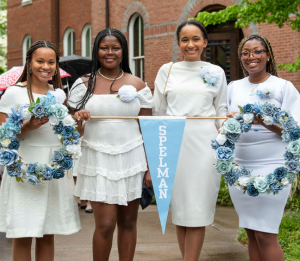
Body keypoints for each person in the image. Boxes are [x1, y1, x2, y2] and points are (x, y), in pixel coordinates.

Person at [67, 28, 153, 261]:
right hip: (97, 157)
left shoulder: (137, 84)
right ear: (97, 50)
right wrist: (79, 121)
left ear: (123, 51)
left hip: (132, 158)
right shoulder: (82, 84)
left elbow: (147, 128)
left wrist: (149, 166)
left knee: (128, 222)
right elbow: (71, 132)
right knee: (104, 224)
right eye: (104, 47)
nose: (110, 52)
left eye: (115, 47)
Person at [153, 20, 228, 260]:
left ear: (205, 42)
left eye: (196, 39)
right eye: (185, 39)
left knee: (197, 208)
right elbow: (158, 112)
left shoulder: (216, 72)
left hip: (204, 143)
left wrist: (227, 143)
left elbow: (222, 111)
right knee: (182, 211)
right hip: (174, 142)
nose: (190, 44)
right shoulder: (167, 71)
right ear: (178, 44)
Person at [0, 40, 81, 261]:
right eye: (40, 61)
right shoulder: (13, 94)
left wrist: (77, 122)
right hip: (24, 164)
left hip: (53, 165)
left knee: (48, 233)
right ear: (29, 63)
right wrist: (29, 125)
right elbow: (3, 138)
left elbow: (64, 131)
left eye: (51, 62)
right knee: (23, 233)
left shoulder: (58, 94)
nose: (45, 66)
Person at [227, 35, 300, 261]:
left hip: (274, 167)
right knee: (251, 233)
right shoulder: (233, 87)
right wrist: (227, 121)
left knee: (266, 234)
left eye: (258, 51)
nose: (252, 57)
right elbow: (220, 125)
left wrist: (264, 121)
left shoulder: (283, 87)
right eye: (246, 53)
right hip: (241, 168)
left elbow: (295, 131)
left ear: (268, 55)